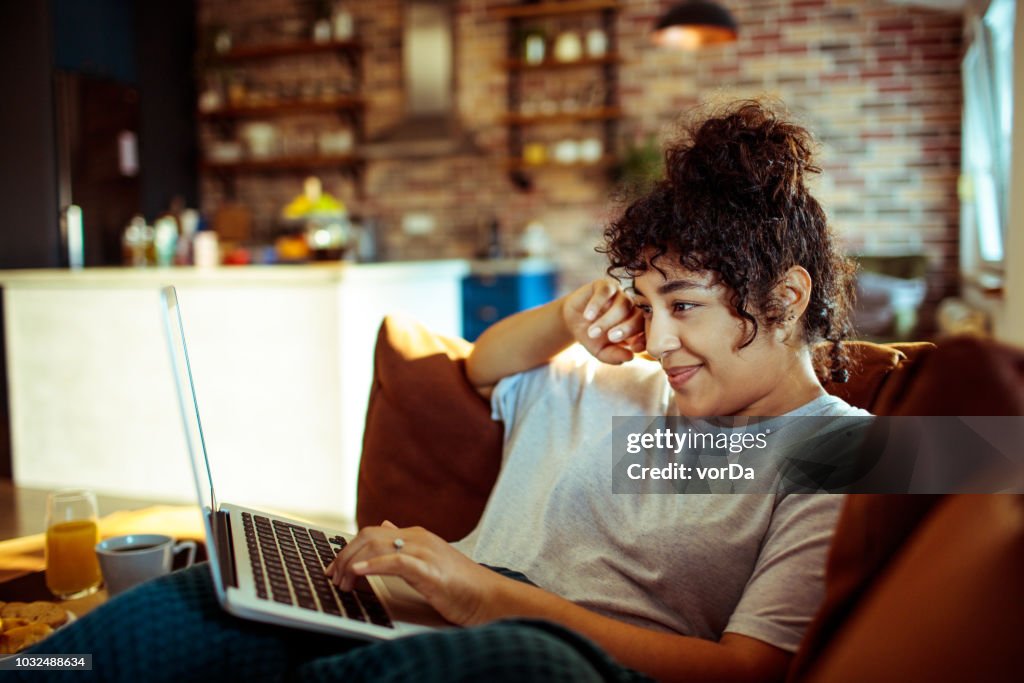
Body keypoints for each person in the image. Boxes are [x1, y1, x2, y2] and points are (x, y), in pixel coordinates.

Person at [23, 99, 865, 683]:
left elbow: (752, 669)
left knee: (518, 662)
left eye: (684, 306)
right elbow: (479, 368)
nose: (662, 337)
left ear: (785, 299)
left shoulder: (841, 451)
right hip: (418, 618)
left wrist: (488, 596)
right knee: (206, 594)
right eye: (648, 304)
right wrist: (569, 318)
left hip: (560, 660)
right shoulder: (614, 381)